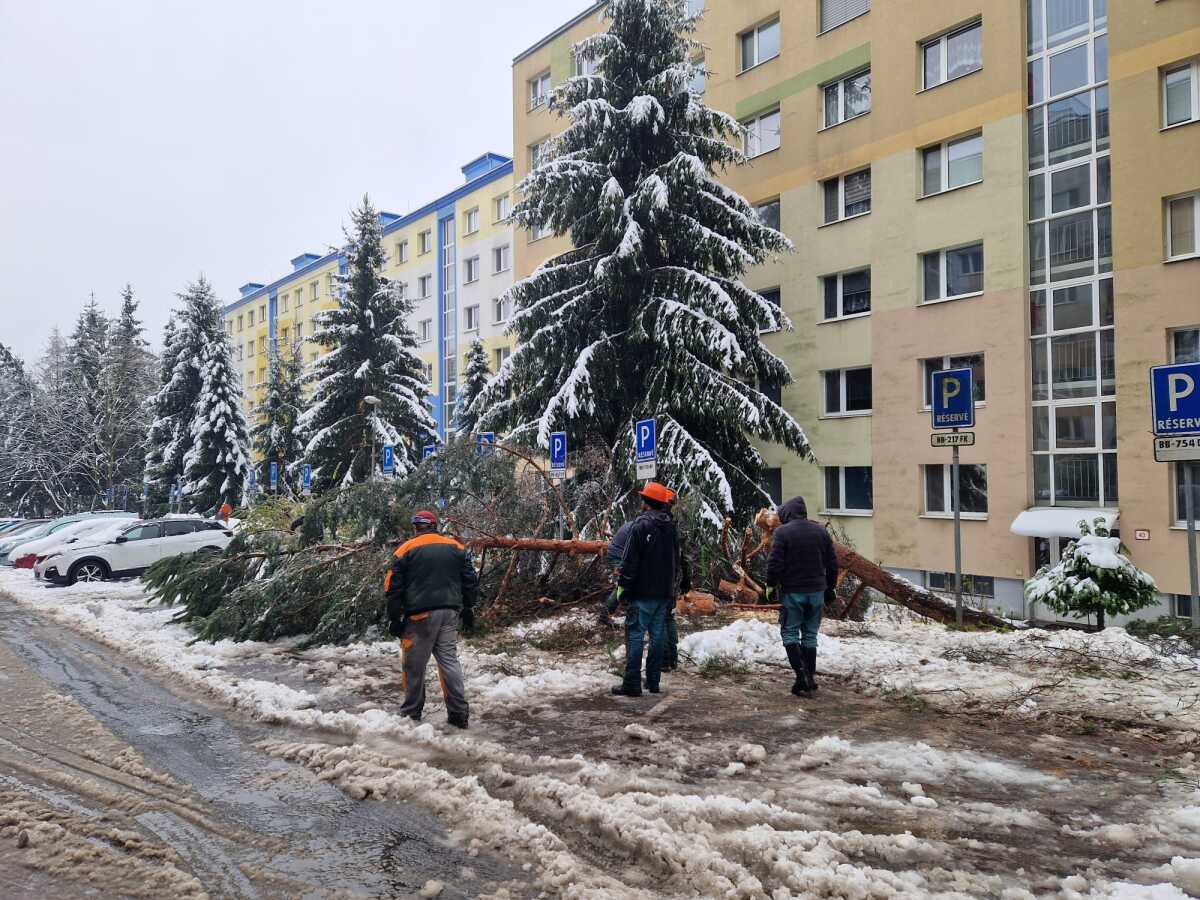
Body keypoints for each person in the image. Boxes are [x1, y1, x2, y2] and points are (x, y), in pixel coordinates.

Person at [384, 510, 479, 728]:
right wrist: (469, 608)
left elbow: (392, 587)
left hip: (419, 616)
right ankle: (458, 715)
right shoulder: (456, 547)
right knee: (449, 663)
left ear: (416, 527)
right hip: (450, 613)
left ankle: (411, 714)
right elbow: (470, 580)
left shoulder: (405, 550)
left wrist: (394, 618)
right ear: (435, 526)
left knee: (414, 666)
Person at [612, 482, 684, 697]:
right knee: (657, 637)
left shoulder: (640, 526)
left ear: (645, 501)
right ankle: (653, 682)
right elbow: (676, 562)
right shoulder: (671, 527)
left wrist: (623, 587)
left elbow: (629, 561)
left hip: (641, 593)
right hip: (663, 593)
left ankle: (632, 683)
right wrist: (673, 589)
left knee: (635, 637)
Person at [765, 496, 838, 696]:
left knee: (789, 633)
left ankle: (801, 676)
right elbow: (832, 563)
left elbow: (775, 563)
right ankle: (810, 677)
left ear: (787, 514)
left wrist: (770, 585)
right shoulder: (821, 531)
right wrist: (830, 588)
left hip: (793, 593)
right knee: (810, 635)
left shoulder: (782, 532)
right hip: (817, 592)